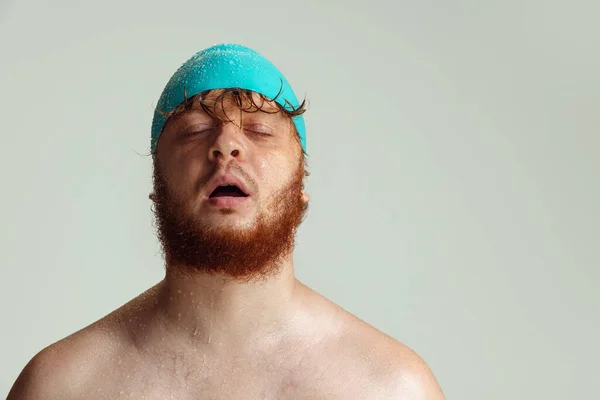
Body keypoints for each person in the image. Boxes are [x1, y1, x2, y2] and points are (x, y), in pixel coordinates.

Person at [8, 43, 445, 399]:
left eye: (259, 130)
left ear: (300, 188)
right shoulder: (63, 387)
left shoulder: (390, 388)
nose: (226, 146)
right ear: (156, 189)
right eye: (196, 130)